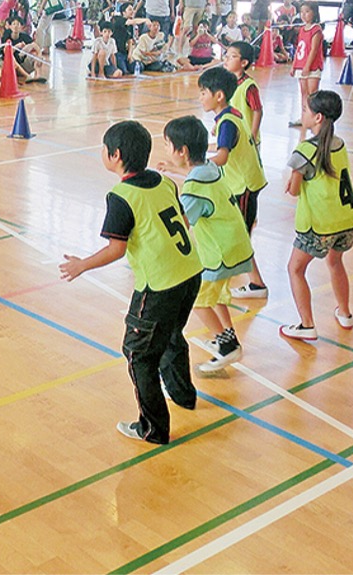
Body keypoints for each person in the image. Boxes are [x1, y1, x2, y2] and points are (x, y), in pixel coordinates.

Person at [59, 121, 202, 444]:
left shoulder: (121, 196)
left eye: (103, 149)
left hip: (160, 284)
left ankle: (153, 428)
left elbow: (117, 248)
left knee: (138, 353)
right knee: (171, 334)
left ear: (116, 155)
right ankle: (183, 395)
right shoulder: (165, 182)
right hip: (191, 272)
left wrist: (82, 265)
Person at [163, 116, 253, 374]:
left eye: (168, 145)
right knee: (216, 297)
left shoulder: (195, 187)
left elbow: (182, 224)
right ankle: (226, 337)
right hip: (235, 247)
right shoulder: (210, 170)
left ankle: (228, 348)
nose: (167, 150)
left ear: (183, 151)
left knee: (198, 300)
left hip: (220, 254)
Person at [279, 90, 353, 340]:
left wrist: (292, 178)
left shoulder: (305, 150)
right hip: (346, 220)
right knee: (335, 262)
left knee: (295, 269)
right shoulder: (340, 144)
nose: (302, 114)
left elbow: (294, 191)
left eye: (305, 110)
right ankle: (344, 312)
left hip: (319, 225)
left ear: (318, 117)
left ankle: (306, 324)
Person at [218, 41, 272, 299]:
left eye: (233, 56)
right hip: (238, 162)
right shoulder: (229, 88)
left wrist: (250, 135)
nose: (228, 59)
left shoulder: (248, 86)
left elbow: (258, 111)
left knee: (241, 228)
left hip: (245, 163)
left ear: (245, 63)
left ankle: (255, 281)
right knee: (237, 222)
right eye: (226, 55)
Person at [288, 1, 324, 128]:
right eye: (302, 12)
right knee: (303, 93)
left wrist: (307, 66)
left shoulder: (316, 29)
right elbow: (299, 49)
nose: (304, 15)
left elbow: (314, 49)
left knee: (312, 93)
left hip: (312, 67)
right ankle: (304, 117)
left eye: (307, 11)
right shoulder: (302, 29)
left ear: (314, 13)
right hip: (300, 64)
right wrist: (294, 65)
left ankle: (314, 117)